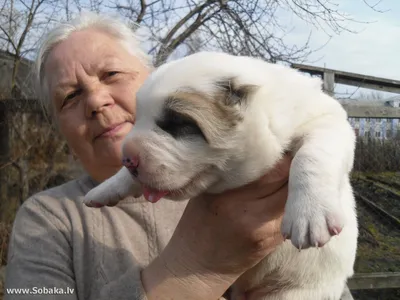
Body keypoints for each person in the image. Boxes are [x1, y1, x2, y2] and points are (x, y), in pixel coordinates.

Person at [4, 12, 292, 300]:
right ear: (59, 129)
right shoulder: (45, 220)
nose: (95, 101)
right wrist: (197, 266)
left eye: (111, 74)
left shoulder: (247, 175)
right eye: (69, 97)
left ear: (157, 78)